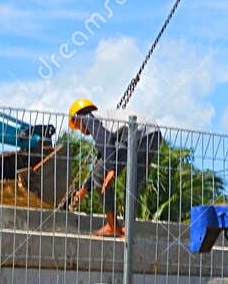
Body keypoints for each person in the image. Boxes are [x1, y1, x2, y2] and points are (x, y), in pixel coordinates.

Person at [66, 98, 159, 238]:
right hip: (153, 134)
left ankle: (112, 226)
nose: (80, 130)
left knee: (101, 177)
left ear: (76, 118)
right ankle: (128, 229)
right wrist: (84, 189)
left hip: (133, 134)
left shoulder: (87, 118)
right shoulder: (107, 119)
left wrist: (112, 170)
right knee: (132, 184)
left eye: (77, 126)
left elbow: (105, 144)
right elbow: (102, 158)